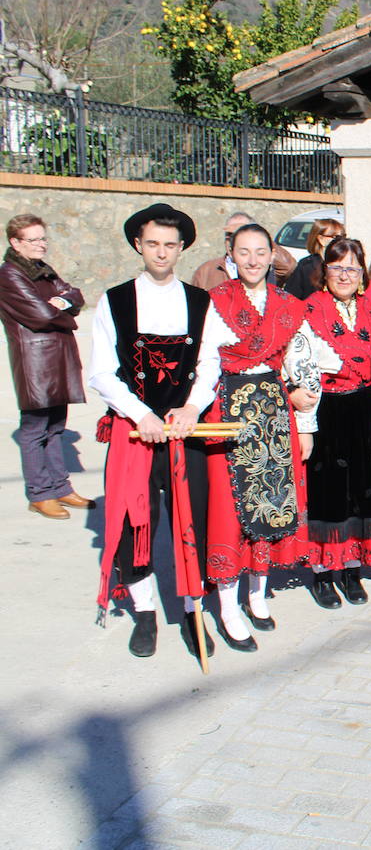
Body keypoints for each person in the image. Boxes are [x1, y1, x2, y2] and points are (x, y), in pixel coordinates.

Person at [90, 203, 222, 659]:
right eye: (152, 244)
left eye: (170, 244)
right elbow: (103, 372)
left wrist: (190, 407)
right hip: (136, 432)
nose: (161, 252)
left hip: (185, 430)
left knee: (194, 521)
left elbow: (210, 364)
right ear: (137, 245)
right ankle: (145, 611)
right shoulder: (115, 300)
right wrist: (138, 414)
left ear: (182, 247)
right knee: (135, 523)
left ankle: (192, 608)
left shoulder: (201, 301)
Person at [200, 223, 314, 648]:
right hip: (227, 409)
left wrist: (305, 424)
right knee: (229, 508)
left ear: (272, 255)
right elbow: (204, 360)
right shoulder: (215, 302)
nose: (252, 260)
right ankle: (228, 605)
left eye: (260, 251)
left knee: (270, 498)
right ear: (231, 254)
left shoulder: (289, 305)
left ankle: (258, 593)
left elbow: (303, 370)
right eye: (243, 252)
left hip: (273, 410)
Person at [287, 237, 371, 608]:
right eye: (337, 267)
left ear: (362, 272)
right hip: (326, 408)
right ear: (324, 271)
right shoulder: (310, 310)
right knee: (327, 493)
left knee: (360, 490)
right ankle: (321, 573)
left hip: (364, 406)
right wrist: (304, 423)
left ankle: (351, 568)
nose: (344, 275)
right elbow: (299, 366)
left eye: (352, 267)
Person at [0, 214, 92, 519]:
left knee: (56, 427)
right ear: (15, 242)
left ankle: (59, 487)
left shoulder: (42, 269)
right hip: (35, 363)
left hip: (59, 357)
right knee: (35, 428)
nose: (42, 245)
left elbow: (75, 294)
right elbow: (40, 316)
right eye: (34, 239)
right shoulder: (10, 275)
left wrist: (63, 303)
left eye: (43, 238)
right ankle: (39, 494)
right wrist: (64, 310)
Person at [191, 212, 295, 290]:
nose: (233, 240)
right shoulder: (206, 270)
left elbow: (288, 267)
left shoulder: (262, 267)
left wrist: (261, 237)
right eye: (229, 235)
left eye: (241, 233)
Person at [283, 218, 345, 300]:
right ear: (321, 239)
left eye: (343, 237)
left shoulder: (345, 263)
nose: (342, 241)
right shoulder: (306, 266)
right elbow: (291, 298)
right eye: (336, 237)